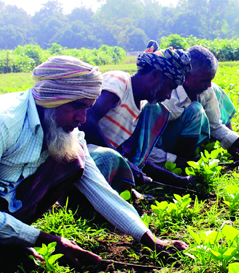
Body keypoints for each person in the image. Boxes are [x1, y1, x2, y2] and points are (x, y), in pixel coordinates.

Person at [0, 56, 186, 273]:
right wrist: (46, 239)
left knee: (75, 160)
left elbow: (99, 190)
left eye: (88, 107)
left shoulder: (67, 131)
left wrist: (148, 238)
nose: (83, 118)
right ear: (52, 99)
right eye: (77, 106)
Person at [79, 47, 194, 187]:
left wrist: (178, 181)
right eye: (170, 87)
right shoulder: (120, 82)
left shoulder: (140, 109)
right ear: (155, 75)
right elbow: (85, 121)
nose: (169, 96)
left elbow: (136, 159)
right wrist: (125, 164)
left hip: (94, 160)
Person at [148, 44, 239, 168]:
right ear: (186, 77)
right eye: (204, 81)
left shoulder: (205, 89)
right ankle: (182, 162)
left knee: (216, 90)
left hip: (178, 140)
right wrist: (177, 160)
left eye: (210, 79)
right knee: (195, 111)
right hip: (160, 146)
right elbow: (145, 147)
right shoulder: (167, 98)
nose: (208, 85)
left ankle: (228, 149)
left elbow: (215, 126)